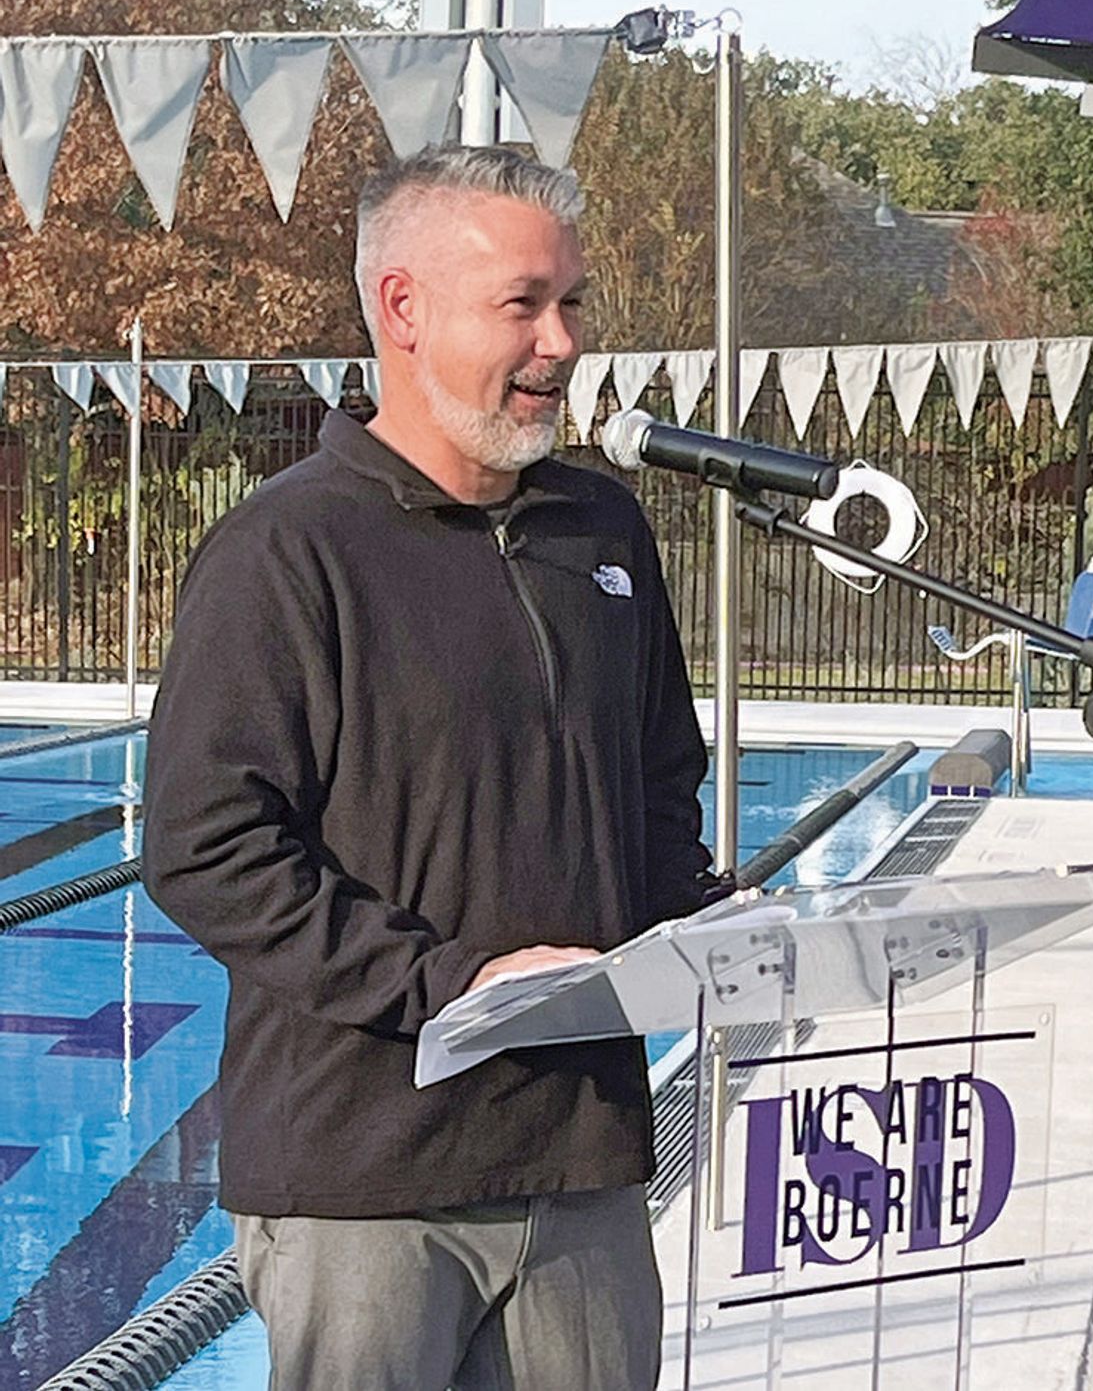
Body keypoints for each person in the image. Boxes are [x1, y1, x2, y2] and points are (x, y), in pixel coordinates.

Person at [141, 144, 715, 1391]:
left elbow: (662, 782)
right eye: (524, 304)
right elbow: (204, 846)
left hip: (584, 1162)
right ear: (402, 308)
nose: (562, 343)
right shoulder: (286, 552)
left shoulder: (601, 529)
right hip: (366, 1180)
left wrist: (714, 930)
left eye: (573, 304)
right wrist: (451, 981)